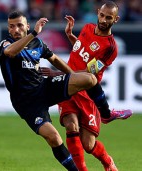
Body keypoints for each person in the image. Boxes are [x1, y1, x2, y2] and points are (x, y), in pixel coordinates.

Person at [0, 10, 116, 171]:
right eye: (11, 27)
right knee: (54, 137)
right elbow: (11, 52)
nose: (15, 30)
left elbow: (54, 58)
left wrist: (71, 76)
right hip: (26, 102)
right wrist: (34, 33)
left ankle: (106, 113)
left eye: (19, 25)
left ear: (26, 25)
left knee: (89, 79)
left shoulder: (37, 44)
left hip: (43, 87)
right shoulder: (6, 43)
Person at [52, 1, 131, 171]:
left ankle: (107, 161)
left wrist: (62, 73)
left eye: (108, 17)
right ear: (97, 12)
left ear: (115, 19)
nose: (103, 20)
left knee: (88, 145)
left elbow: (89, 71)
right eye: (102, 15)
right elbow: (81, 50)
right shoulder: (87, 27)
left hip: (87, 92)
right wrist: (70, 35)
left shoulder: (110, 47)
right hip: (68, 87)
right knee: (70, 125)